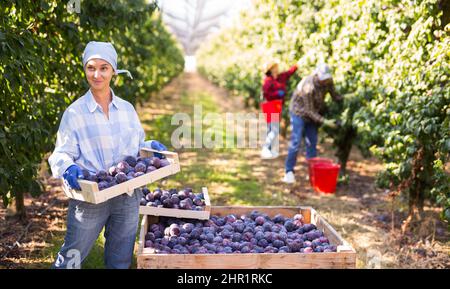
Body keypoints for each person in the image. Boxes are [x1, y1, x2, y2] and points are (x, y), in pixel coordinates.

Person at [48, 41, 167, 268]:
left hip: (127, 195)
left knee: (120, 258)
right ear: (84, 69)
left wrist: (149, 145)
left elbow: (137, 145)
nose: (97, 74)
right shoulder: (74, 113)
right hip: (92, 197)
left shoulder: (127, 109)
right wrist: (67, 167)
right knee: (72, 256)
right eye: (91, 68)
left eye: (103, 68)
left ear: (113, 70)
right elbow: (61, 153)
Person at [282, 63, 342, 184]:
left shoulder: (328, 81)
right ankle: (289, 172)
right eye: (322, 78)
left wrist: (347, 97)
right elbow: (308, 111)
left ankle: (312, 174)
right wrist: (325, 122)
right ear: (316, 75)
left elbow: (335, 96)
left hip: (313, 114)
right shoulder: (308, 85)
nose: (324, 81)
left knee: (312, 143)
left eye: (326, 78)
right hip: (299, 112)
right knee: (296, 141)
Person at [260, 60, 298, 159]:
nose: (277, 69)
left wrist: (297, 65)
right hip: (271, 106)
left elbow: (289, 72)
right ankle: (265, 148)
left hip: (277, 106)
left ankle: (269, 150)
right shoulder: (268, 80)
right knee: (274, 129)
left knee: (271, 128)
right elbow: (266, 94)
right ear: (271, 69)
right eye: (275, 67)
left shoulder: (281, 77)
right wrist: (277, 94)